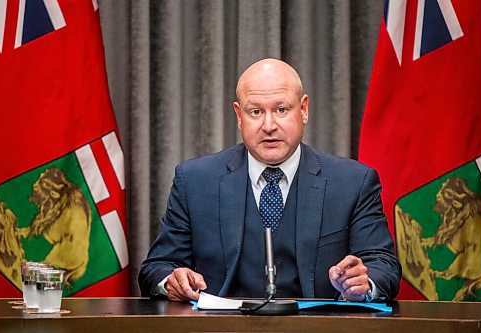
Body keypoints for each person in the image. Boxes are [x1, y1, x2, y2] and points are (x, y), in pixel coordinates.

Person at [139, 58, 401, 302]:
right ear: (239, 116)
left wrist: (363, 283)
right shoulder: (195, 181)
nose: (269, 125)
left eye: (281, 109)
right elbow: (157, 268)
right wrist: (171, 281)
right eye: (255, 112)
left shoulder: (353, 182)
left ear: (304, 110)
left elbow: (383, 265)